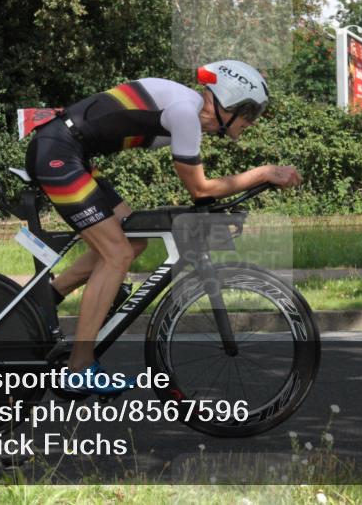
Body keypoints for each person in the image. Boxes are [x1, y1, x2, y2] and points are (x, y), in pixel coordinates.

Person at [24, 60, 302, 394]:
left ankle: (43, 300)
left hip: (71, 152)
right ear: (229, 102)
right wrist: (264, 173)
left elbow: (201, 194)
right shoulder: (185, 112)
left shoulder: (189, 112)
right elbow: (200, 189)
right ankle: (79, 368)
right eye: (249, 113)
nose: (251, 123)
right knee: (117, 254)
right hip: (58, 152)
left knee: (133, 240)